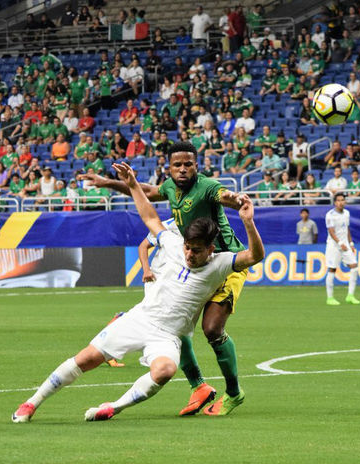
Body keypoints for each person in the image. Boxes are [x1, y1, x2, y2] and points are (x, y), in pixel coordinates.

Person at [11, 162, 264, 423]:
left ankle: (113, 407)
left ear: (210, 249)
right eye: (188, 247)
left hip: (168, 336)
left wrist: (247, 221)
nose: (189, 254)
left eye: (196, 250)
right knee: (87, 358)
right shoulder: (174, 241)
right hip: (140, 318)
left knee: (166, 369)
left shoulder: (221, 262)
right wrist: (131, 184)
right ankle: (31, 403)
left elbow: (255, 255)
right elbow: (150, 217)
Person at [81, 141, 251, 416]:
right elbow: (146, 191)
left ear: (197, 166)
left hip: (225, 263)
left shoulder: (207, 186)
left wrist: (236, 199)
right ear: (169, 167)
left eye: (188, 164)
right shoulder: (170, 187)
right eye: (177, 165)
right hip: (193, 265)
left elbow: (224, 195)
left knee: (212, 329)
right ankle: (199, 386)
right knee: (172, 322)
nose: (183, 169)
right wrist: (107, 182)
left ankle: (234, 393)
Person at [324, 193, 360, 306]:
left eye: (342, 200)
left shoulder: (347, 213)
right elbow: (331, 231)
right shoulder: (330, 215)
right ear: (335, 202)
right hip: (334, 246)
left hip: (345, 245)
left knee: (354, 267)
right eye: (338, 200)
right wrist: (339, 243)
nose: (341, 202)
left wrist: (351, 243)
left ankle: (350, 295)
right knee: (332, 269)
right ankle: (330, 298)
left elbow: (347, 229)